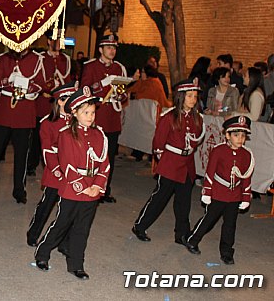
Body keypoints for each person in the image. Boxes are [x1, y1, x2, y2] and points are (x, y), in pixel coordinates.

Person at [34, 86, 110, 280]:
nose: (91, 116)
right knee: (62, 223)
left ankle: (76, 264)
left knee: (82, 229)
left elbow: (105, 164)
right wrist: (82, 186)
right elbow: (66, 164)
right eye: (86, 112)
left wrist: (97, 186)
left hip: (93, 189)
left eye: (93, 112)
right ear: (74, 113)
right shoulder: (66, 135)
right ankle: (43, 252)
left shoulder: (100, 135)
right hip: (73, 188)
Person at [132, 77, 205, 244]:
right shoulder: (169, 117)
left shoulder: (197, 118)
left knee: (183, 202)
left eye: (195, 96)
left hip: (187, 165)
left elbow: (196, 138)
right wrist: (163, 161)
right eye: (189, 96)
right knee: (160, 198)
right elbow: (158, 143)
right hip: (171, 164)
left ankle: (181, 234)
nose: (193, 100)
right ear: (181, 96)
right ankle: (140, 226)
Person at [183, 116, 253, 265]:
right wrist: (207, 191)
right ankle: (192, 240)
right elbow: (210, 171)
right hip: (219, 192)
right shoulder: (219, 150)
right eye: (236, 135)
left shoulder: (247, 155)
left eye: (243, 135)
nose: (240, 139)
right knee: (209, 219)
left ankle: (227, 252)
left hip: (234, 195)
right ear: (227, 135)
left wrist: (246, 197)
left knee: (230, 225)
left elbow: (246, 177)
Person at [0, 47, 45, 203]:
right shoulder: (4, 58)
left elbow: (42, 83)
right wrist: (8, 79)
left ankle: (19, 190)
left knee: (22, 154)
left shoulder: (37, 59)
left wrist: (28, 87)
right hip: (4, 110)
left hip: (24, 110)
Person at [26, 81, 77, 247]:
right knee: (47, 204)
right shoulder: (48, 123)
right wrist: (56, 169)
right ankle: (33, 233)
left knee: (70, 209)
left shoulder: (77, 121)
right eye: (70, 98)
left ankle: (64, 241)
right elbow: (47, 149)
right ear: (60, 101)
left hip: (74, 171)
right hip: (56, 170)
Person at [80, 34, 127, 203]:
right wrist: (103, 83)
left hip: (112, 118)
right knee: (93, 155)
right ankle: (89, 187)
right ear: (101, 49)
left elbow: (123, 93)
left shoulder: (119, 68)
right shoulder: (91, 66)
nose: (112, 50)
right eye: (108, 47)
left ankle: (105, 189)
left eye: (114, 48)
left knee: (109, 157)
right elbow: (85, 90)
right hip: (96, 116)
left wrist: (121, 96)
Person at [29, 32, 71, 175]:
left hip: (60, 105)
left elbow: (68, 79)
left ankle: (58, 164)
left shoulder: (65, 59)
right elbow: (38, 80)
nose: (58, 42)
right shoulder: (41, 58)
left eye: (60, 40)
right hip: (44, 102)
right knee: (38, 136)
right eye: (55, 39)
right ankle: (32, 164)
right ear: (48, 41)